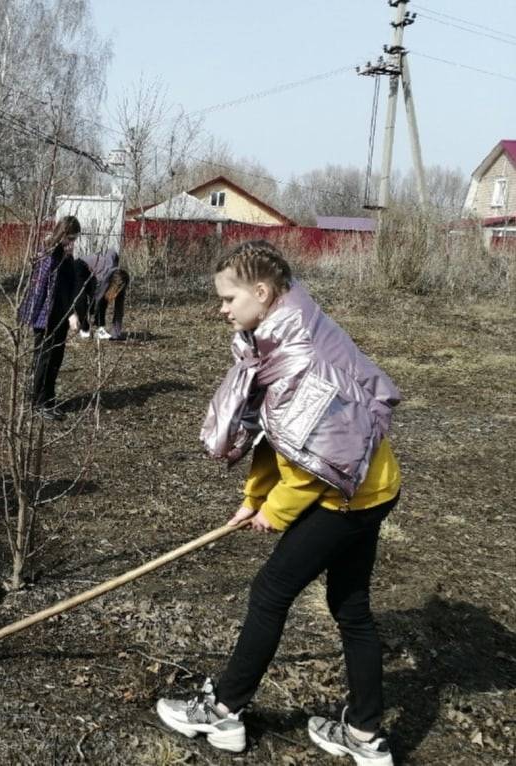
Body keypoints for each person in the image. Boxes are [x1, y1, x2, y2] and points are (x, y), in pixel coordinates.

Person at [156, 240, 401, 765]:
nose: (221, 308)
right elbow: (282, 435)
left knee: (270, 593)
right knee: (351, 607)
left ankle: (223, 712)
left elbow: (327, 455)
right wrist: (254, 497)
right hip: (370, 486)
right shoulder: (284, 336)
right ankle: (366, 739)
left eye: (228, 298)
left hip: (345, 495)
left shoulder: (301, 356)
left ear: (262, 292)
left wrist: (278, 511)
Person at [18, 215, 81, 420]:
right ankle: (39, 403)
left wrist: (71, 312)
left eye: (74, 239)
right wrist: (33, 316)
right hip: (47, 317)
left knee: (55, 358)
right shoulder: (49, 255)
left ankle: (49, 398)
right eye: (70, 238)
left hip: (60, 314)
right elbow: (40, 288)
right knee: (44, 360)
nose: (72, 243)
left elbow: (69, 288)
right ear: (62, 233)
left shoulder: (65, 256)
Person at [71, 248, 129, 340]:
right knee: (80, 300)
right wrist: (91, 310)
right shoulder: (105, 275)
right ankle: (84, 328)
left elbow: (119, 309)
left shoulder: (121, 282)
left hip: (94, 272)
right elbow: (97, 297)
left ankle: (100, 329)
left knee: (104, 299)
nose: (116, 294)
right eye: (115, 290)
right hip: (80, 267)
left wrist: (115, 334)